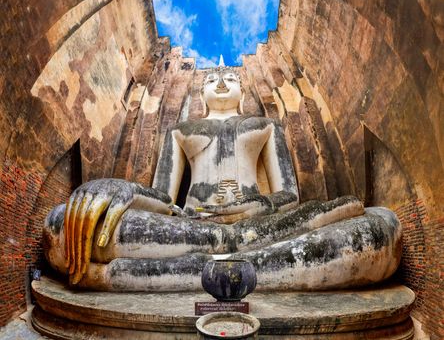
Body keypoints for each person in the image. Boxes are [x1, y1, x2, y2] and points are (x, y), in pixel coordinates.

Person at [43, 67, 401, 291]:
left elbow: (289, 194)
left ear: (242, 91)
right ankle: (243, 269)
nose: (220, 82)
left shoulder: (264, 126)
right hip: (195, 227)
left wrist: (259, 205)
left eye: (230, 78)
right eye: (212, 79)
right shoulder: (182, 131)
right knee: (62, 226)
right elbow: (164, 199)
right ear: (201, 93)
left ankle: (139, 276)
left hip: (262, 228)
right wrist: (124, 189)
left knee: (382, 228)